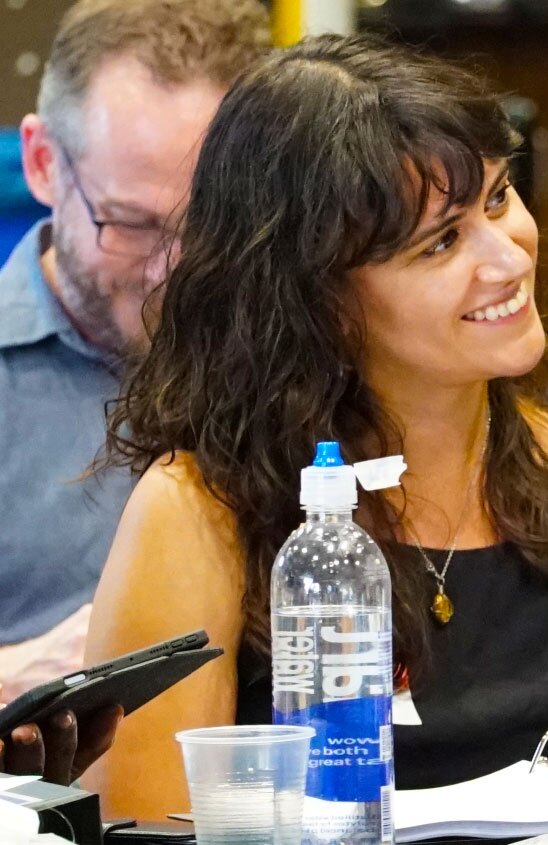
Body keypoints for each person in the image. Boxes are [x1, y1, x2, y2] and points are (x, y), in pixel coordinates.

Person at [84, 34, 548, 820]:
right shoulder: (196, 517)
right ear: (321, 302)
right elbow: (151, 830)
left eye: (500, 198)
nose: (507, 258)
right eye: (441, 241)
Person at [0, 0, 270, 718]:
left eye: (210, 222)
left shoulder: (293, 356)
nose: (170, 272)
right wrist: (17, 680)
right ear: (43, 164)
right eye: (133, 224)